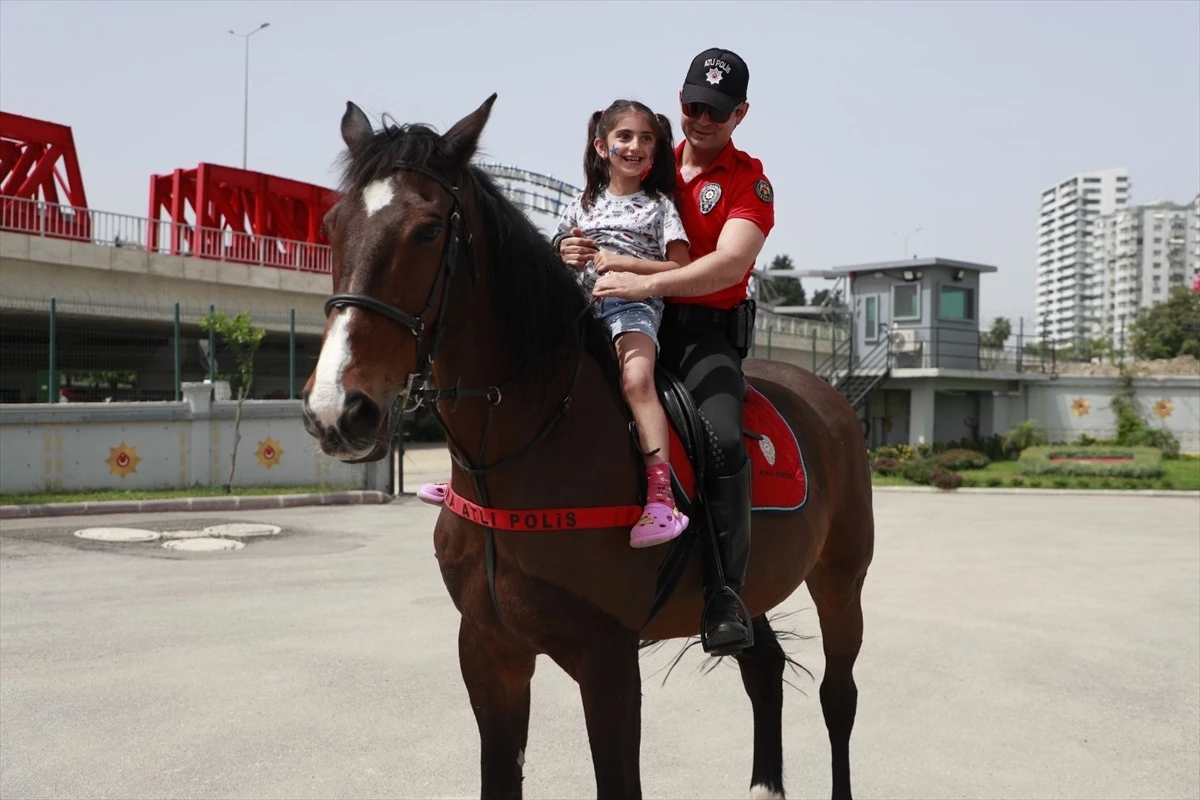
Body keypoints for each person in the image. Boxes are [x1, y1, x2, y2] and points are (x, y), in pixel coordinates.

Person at [554, 48, 774, 656]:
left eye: (717, 112)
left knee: (724, 438)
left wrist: (642, 282)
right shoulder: (651, 158)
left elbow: (728, 264)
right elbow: (596, 214)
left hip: (703, 333)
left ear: (741, 115)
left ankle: (727, 594)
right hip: (619, 314)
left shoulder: (750, 181)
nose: (700, 119)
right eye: (692, 106)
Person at [556, 98, 693, 549]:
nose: (636, 146)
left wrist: (626, 266)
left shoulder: (658, 207)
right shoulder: (580, 204)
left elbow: (679, 269)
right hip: (579, 305)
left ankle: (661, 498)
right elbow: (560, 255)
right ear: (601, 146)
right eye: (625, 136)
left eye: (647, 139)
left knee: (636, 380)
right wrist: (565, 253)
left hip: (632, 307)